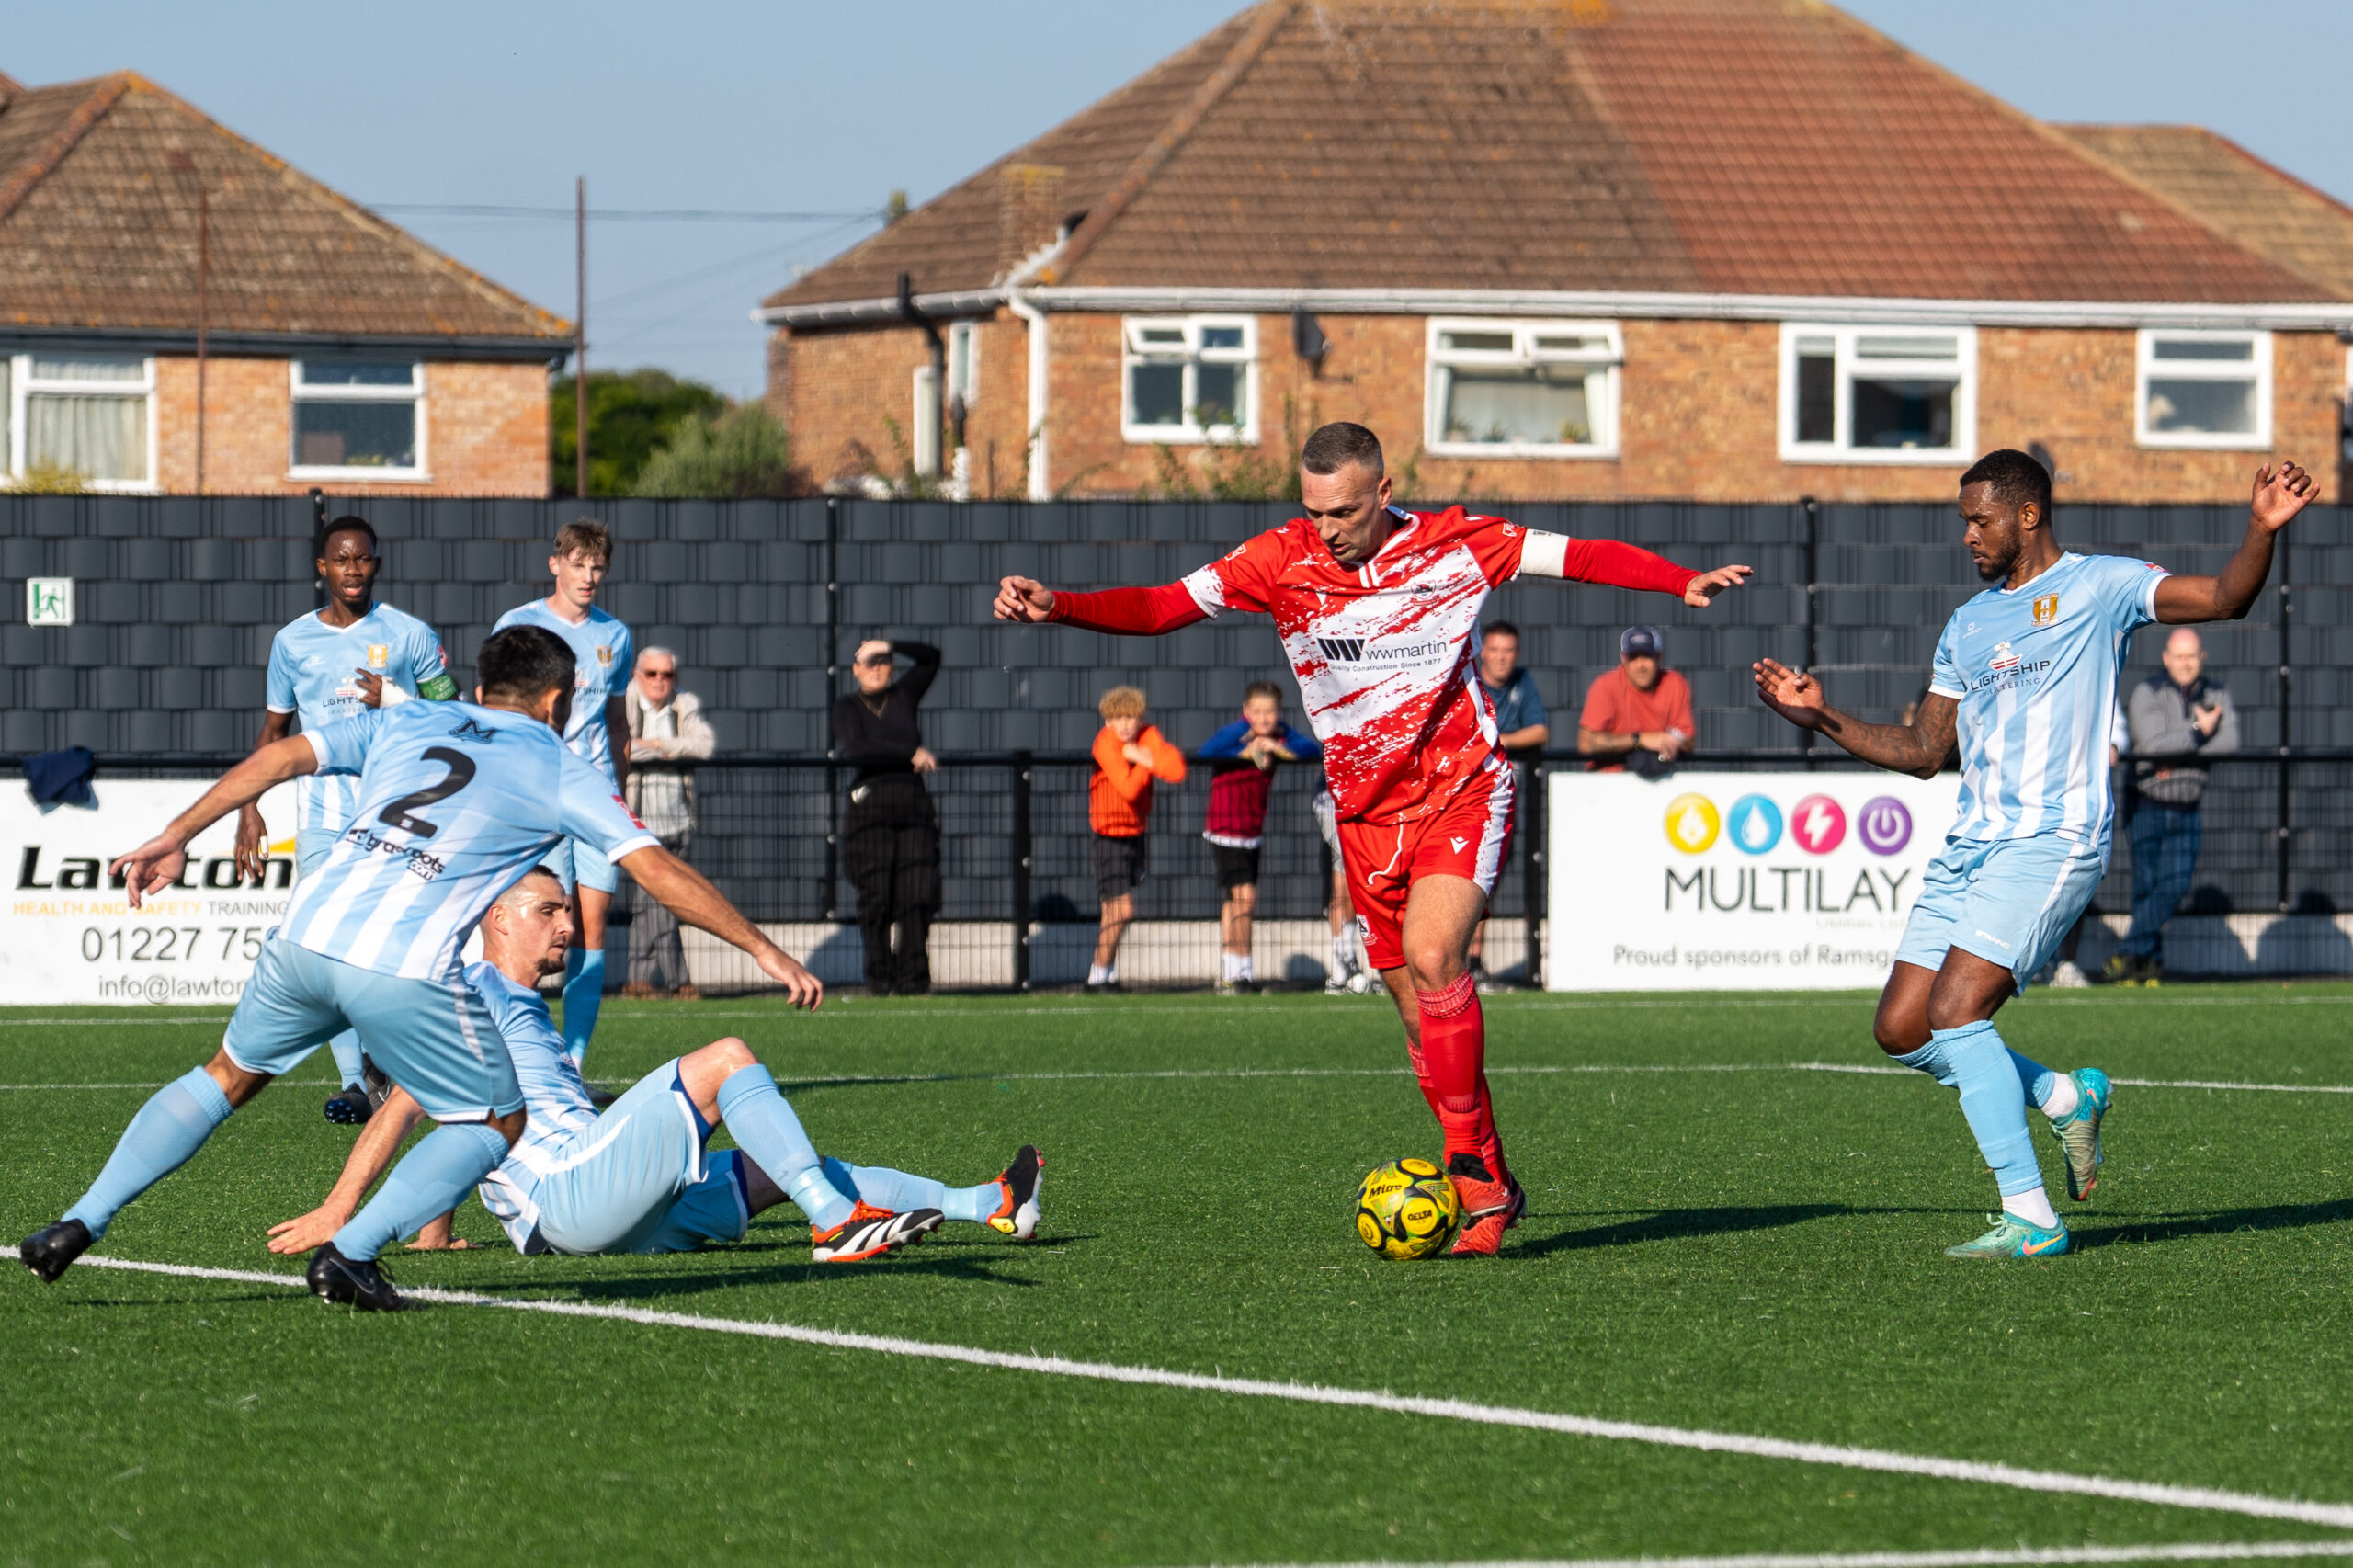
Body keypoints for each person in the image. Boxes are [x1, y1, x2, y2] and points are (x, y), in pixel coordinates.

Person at [996, 421, 1748, 1253]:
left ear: (1384, 494)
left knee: (1435, 959)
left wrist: (1679, 582)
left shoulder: (1460, 544)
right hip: (1363, 816)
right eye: (1314, 512)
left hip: (1463, 788)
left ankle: (1468, 1173)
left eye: (1345, 513)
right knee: (1415, 1017)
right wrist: (1059, 606)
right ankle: (1494, 1177)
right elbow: (1163, 607)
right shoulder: (1278, 560)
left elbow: (1579, 555)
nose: (1328, 530)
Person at [20, 625, 823, 1311]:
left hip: (306, 935)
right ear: (561, 701)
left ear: (479, 686)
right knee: (497, 1122)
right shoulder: (559, 766)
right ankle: (353, 1253)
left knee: (226, 1074)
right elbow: (658, 872)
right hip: (400, 966)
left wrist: (175, 834)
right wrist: (762, 948)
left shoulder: (412, 725)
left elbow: (280, 761)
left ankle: (81, 1218)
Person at [1754, 449, 2314, 1260]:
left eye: (1979, 521)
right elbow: (1921, 750)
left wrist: (2259, 531)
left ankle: (2033, 1217)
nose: (1969, 537)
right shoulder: (1968, 623)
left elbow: (2226, 598)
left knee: (1958, 1014)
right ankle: (2061, 1095)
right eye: (1963, 523)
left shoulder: (2100, 587)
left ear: (2026, 515)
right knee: (1904, 1029)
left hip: (2053, 841)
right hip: (1971, 846)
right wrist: (1824, 718)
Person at [266, 867, 1041, 1266]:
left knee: (786, 1167)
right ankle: (838, 1228)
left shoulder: (524, 1006)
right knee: (725, 1058)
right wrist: (343, 1214)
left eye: (567, 911)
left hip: (618, 1209)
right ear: (497, 920)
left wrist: (434, 1234)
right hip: (568, 1201)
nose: (567, 925)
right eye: (548, 911)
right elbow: (408, 1102)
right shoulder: (471, 993)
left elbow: (466, 1117)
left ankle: (989, 1203)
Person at [232, 516, 456, 1124]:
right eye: (342, 560)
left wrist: (397, 699)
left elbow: (454, 714)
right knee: (322, 943)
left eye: (364, 560)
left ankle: (409, 1065)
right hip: (324, 819)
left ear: (376, 566)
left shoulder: (409, 636)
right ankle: (356, 1080)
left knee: (398, 943)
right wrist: (249, 807)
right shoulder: (292, 643)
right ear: (322, 568)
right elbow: (275, 731)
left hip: (397, 815)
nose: (353, 570)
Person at [494, 520, 632, 1065]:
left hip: (596, 802)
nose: (589, 576)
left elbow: (617, 724)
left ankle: (571, 1064)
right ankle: (520, 1058)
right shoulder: (518, 624)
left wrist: (620, 794)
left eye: (597, 567)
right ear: (556, 565)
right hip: (536, 800)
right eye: (579, 564)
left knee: (588, 929)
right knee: (534, 928)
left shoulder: (614, 635)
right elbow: (496, 710)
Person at [2109, 628, 2238, 984]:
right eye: (2179, 656)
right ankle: (2148, 966)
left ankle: (2129, 950)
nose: (2185, 663)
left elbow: (2228, 743)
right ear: (2167, 658)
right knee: (2146, 887)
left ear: (2202, 658)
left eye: (2191, 656)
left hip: (2187, 804)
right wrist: (2198, 732)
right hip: (2147, 803)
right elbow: (2150, 746)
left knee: (2176, 884)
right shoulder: (2146, 691)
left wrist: (2177, 753)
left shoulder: (2218, 693)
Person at [831, 639, 943, 995]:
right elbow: (857, 749)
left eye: (884, 662)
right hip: (871, 809)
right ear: (856, 670)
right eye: (869, 663)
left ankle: (913, 981)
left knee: (916, 895)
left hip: (912, 806)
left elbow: (931, 658)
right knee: (876, 896)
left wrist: (890, 642)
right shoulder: (846, 707)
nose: (877, 669)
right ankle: (879, 980)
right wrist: (909, 752)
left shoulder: (904, 696)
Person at [1196, 681, 1322, 995]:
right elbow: (1205, 752)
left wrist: (1277, 749)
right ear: (1246, 711)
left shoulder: (1281, 735)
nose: (1264, 719)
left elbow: (1313, 750)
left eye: (1270, 713)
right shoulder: (1237, 732)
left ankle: (1235, 971)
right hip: (1226, 828)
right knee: (1245, 899)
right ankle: (1237, 972)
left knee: (1235, 901)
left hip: (1252, 830)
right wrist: (1245, 748)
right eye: (1257, 712)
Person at [623, 647, 716, 999]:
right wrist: (674, 749)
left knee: (657, 904)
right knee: (658, 901)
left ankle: (639, 981)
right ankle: (678, 981)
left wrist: (657, 744)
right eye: (652, 674)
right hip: (639, 821)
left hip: (678, 819)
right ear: (637, 675)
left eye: (667, 675)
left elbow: (704, 747)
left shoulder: (684, 704)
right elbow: (623, 748)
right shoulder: (627, 702)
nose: (660, 681)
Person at [1086, 687, 1186, 993]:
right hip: (1109, 836)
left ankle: (1105, 977)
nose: (1125, 724)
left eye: (1131, 716)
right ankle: (1097, 975)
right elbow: (1128, 789)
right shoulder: (1105, 744)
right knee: (1122, 910)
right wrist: (1145, 761)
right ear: (1107, 722)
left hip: (1135, 834)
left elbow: (1176, 770)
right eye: (1117, 718)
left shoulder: (1147, 736)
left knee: (1112, 912)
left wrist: (1143, 755)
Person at [1469, 621, 1549, 987]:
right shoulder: (1468, 681)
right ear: (1483, 651)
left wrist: (1495, 739)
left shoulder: (1522, 682)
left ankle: (1472, 961)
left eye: (1508, 652)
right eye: (1495, 651)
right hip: (1466, 800)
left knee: (1487, 882)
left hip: (1504, 801)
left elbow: (1540, 731)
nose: (1501, 659)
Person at [1578, 624, 1694, 773]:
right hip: (1608, 781)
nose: (1640, 665)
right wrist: (1640, 740)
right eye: (1633, 658)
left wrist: (1671, 742)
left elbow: (1688, 740)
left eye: (1646, 656)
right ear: (1623, 658)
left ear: (1659, 656)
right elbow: (1585, 744)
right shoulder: (1605, 686)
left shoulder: (1675, 684)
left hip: (1660, 778)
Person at [1312, 781, 1370, 994]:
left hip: (1360, 797)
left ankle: (1341, 972)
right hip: (1333, 800)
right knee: (1346, 873)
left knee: (1353, 879)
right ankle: (1346, 961)